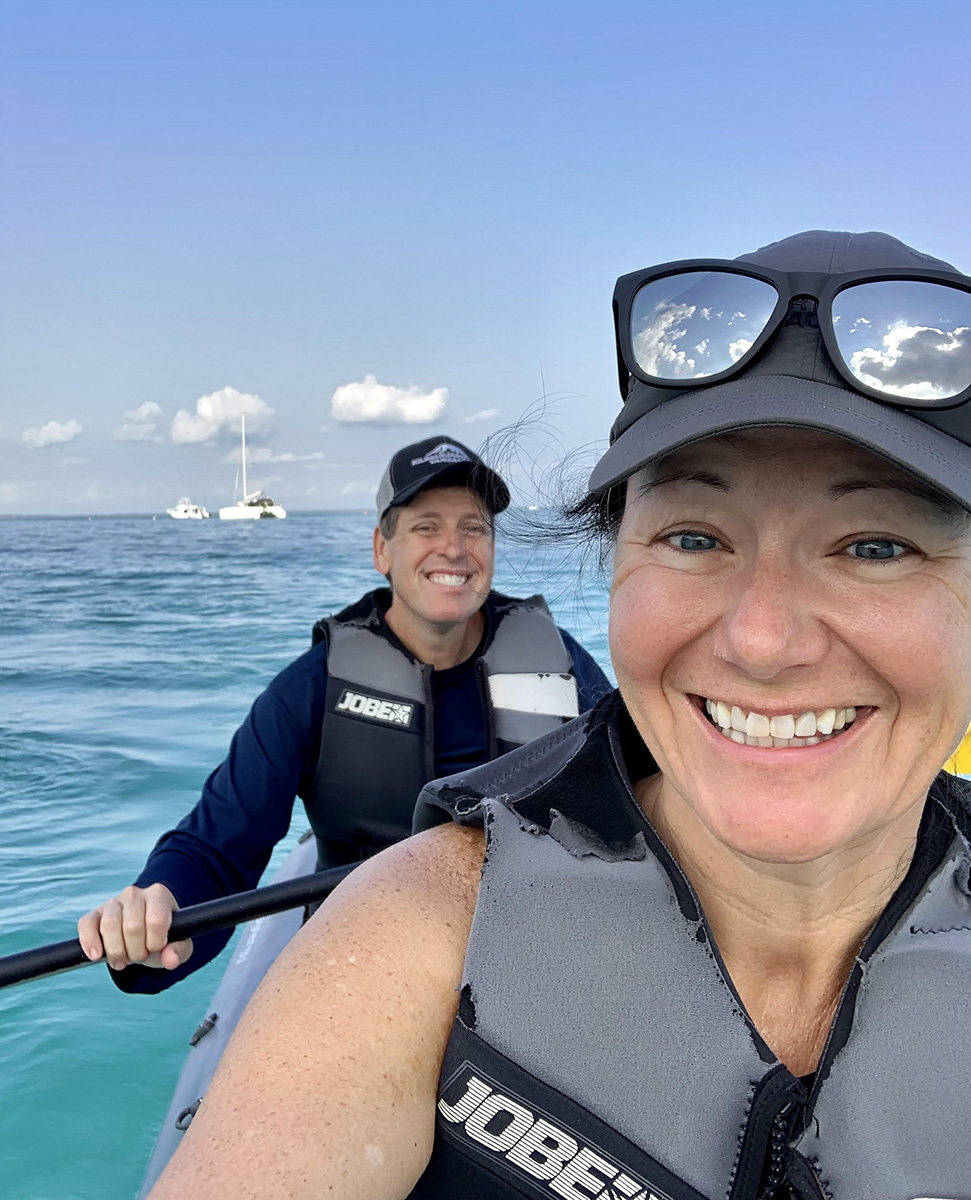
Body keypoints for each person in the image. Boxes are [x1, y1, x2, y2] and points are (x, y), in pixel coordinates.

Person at [146, 231, 971, 1199]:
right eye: (695, 536)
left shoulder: (550, 662)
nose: (760, 641)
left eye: (875, 547)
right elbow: (221, 839)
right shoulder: (408, 914)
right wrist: (158, 927)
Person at [79, 435, 611, 990]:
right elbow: (218, 848)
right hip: (364, 972)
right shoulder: (311, 688)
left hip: (526, 962)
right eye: (426, 526)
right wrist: (159, 905)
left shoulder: (561, 664)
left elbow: (642, 795)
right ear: (382, 549)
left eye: (474, 528)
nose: (454, 548)